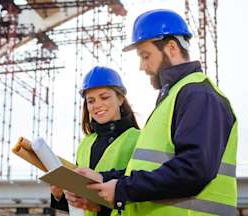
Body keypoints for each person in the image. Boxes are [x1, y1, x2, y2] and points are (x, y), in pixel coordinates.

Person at [72, 9, 238, 216]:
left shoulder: (199, 95)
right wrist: (103, 179)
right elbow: (150, 170)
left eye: (145, 56)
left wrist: (122, 190)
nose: (142, 66)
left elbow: (193, 170)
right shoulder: (174, 98)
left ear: (171, 48)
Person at [50, 66, 140, 216]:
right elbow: (79, 206)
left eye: (104, 97)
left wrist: (100, 200)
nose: (97, 105)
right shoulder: (85, 144)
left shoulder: (138, 138)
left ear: (120, 98)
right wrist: (59, 195)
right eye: (91, 101)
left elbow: (144, 187)